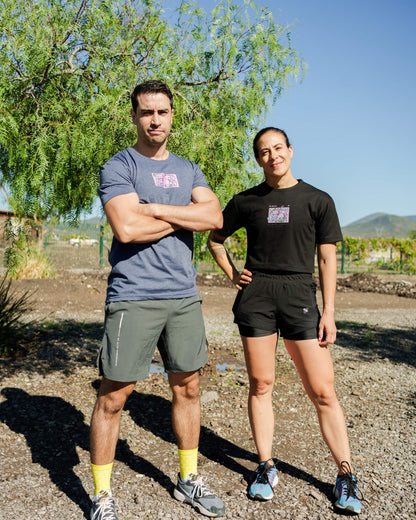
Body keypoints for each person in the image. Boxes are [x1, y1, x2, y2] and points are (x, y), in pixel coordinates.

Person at [207, 127, 363, 514]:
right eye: (264, 152)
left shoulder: (317, 200)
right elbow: (215, 238)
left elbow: (327, 260)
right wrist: (232, 274)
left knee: (323, 391)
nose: (272, 156)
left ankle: (345, 474)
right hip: (256, 296)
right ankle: (265, 466)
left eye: (278, 148)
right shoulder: (246, 201)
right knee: (261, 384)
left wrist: (329, 311)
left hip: (299, 297)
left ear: (290, 151)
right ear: (258, 159)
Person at [89, 80, 226, 520]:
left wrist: (155, 209)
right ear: (134, 116)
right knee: (114, 395)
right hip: (133, 295)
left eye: (162, 112)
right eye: (147, 112)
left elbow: (215, 216)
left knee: (187, 387)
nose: (155, 120)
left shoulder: (189, 169)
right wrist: (186, 218)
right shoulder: (119, 166)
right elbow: (127, 230)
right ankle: (102, 496)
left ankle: (187, 479)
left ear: (171, 116)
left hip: (183, 296)